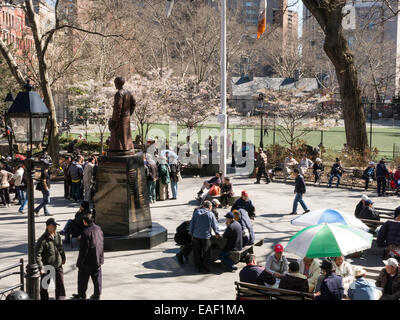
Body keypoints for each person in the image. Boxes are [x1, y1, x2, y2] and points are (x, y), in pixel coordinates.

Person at [72, 212, 104, 300]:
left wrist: (80, 262)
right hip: (97, 258)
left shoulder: (85, 232)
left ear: (85, 222)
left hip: (87, 261)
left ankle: (82, 294)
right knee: (97, 278)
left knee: (83, 279)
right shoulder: (98, 229)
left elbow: (84, 250)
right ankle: (97, 295)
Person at [35, 218, 66, 300]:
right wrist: (40, 267)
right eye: (54, 226)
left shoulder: (57, 236)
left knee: (60, 285)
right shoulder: (42, 240)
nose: (56, 227)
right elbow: (37, 255)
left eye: (56, 225)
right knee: (45, 286)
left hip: (58, 264)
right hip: (47, 266)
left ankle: (60, 298)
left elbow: (61, 248)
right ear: (48, 226)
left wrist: (63, 258)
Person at [189, 201, 220, 273]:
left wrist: (191, 233)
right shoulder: (210, 214)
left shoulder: (196, 213)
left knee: (197, 252)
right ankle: (205, 268)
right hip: (205, 237)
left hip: (196, 236)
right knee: (206, 253)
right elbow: (215, 225)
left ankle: (197, 266)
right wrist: (217, 233)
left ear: (203, 206)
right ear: (209, 207)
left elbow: (192, 224)